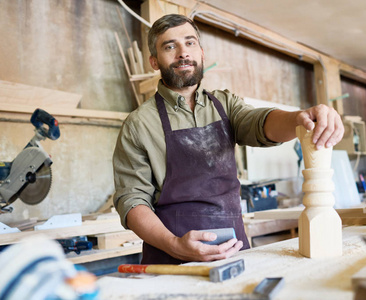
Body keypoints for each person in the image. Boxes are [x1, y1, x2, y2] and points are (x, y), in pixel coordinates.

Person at [113, 14, 344, 265]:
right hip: (171, 260)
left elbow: (260, 122)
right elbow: (132, 200)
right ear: (154, 61)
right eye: (170, 46)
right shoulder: (138, 124)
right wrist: (175, 246)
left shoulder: (225, 104)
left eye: (190, 43)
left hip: (233, 251)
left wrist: (300, 118)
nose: (182, 53)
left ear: (201, 53)